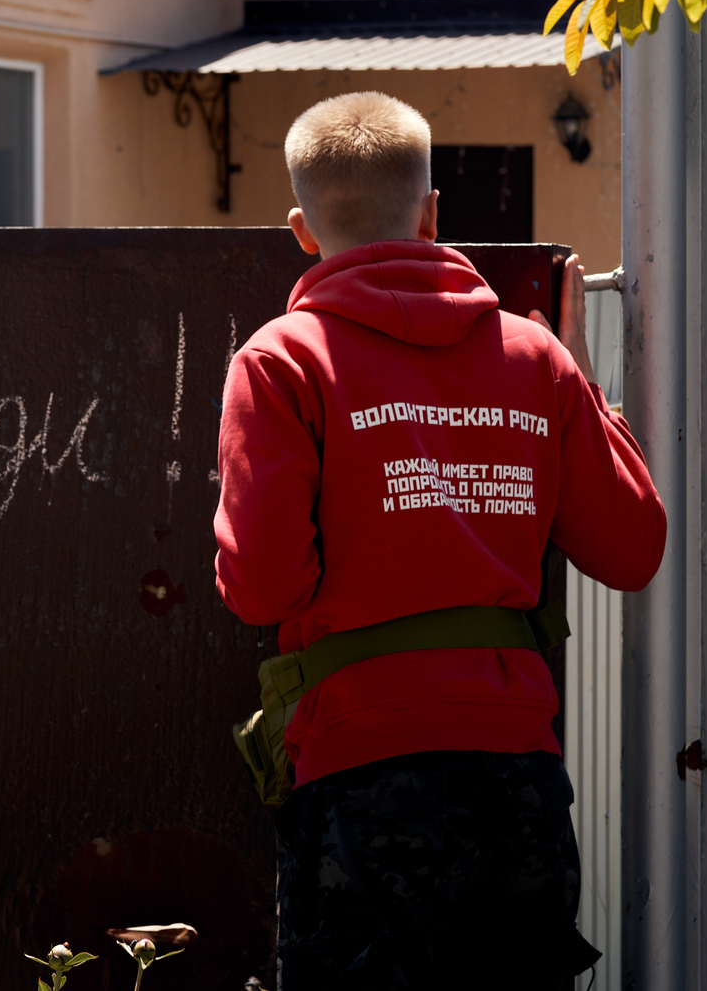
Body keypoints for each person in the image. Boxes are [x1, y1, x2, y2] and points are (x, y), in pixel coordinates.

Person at [212, 91, 667, 990]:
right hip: (517, 783)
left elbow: (260, 588)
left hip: (357, 779)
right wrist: (578, 381)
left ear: (302, 230)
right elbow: (634, 548)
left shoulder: (282, 360)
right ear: (431, 212)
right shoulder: (535, 360)